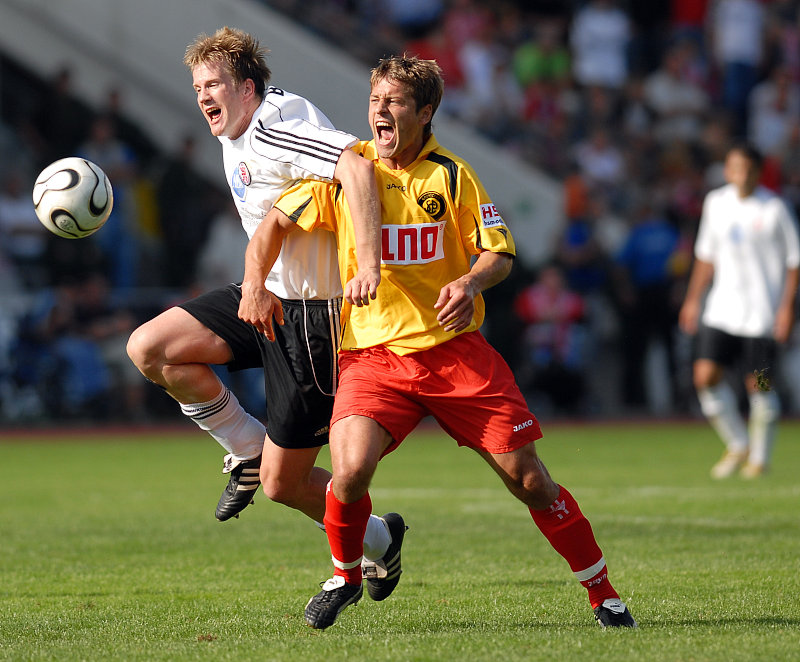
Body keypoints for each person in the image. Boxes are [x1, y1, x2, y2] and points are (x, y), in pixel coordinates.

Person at [243, 55, 636, 629]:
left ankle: (603, 593)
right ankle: (346, 575)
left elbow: (498, 253)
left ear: (425, 112)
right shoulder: (347, 173)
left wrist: (470, 279)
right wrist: (254, 285)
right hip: (374, 356)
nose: (380, 110)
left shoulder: (451, 175)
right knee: (349, 471)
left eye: (395, 101)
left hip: (455, 354)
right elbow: (271, 228)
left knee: (529, 479)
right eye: (376, 99)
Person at [125, 27, 404, 589]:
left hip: (313, 316)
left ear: (248, 87)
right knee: (150, 349)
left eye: (215, 84)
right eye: (198, 86)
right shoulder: (238, 130)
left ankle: (380, 537)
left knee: (286, 486)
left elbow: (357, 165)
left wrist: (369, 264)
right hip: (266, 296)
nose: (204, 95)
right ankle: (246, 450)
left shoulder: (276, 127)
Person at [679, 143, 800, 478]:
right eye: (734, 167)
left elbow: (794, 263)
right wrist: (693, 299)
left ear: (758, 172)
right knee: (705, 377)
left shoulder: (774, 208)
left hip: (761, 315)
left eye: (747, 168)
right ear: (727, 170)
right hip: (721, 310)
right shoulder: (716, 203)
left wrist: (787, 308)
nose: (740, 174)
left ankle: (760, 459)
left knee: (758, 383)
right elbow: (706, 256)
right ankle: (738, 443)